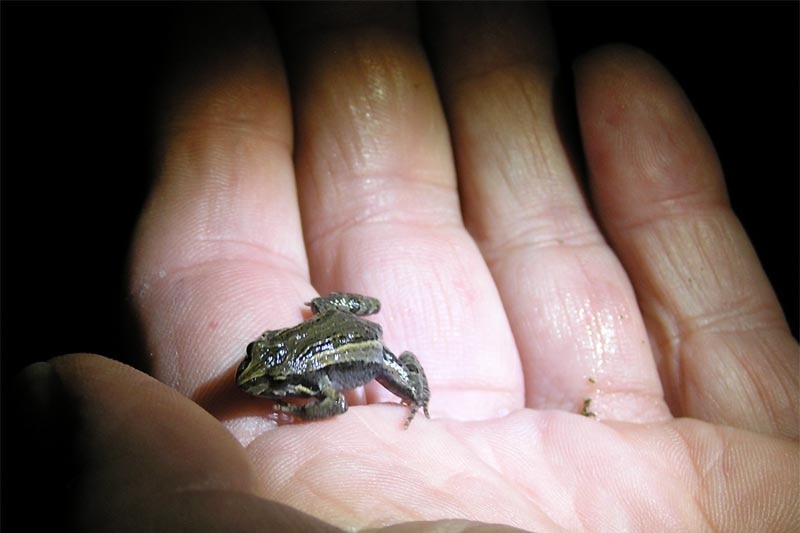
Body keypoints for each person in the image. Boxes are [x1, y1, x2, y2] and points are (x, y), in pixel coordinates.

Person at [14, 4, 798, 531]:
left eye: (264, 376)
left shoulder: (313, 384)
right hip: (331, 327)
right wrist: (287, 363)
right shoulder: (280, 365)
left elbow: (325, 400)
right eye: (259, 369)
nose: (256, 376)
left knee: (391, 361)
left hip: (353, 339)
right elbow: (281, 368)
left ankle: (415, 392)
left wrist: (315, 399)